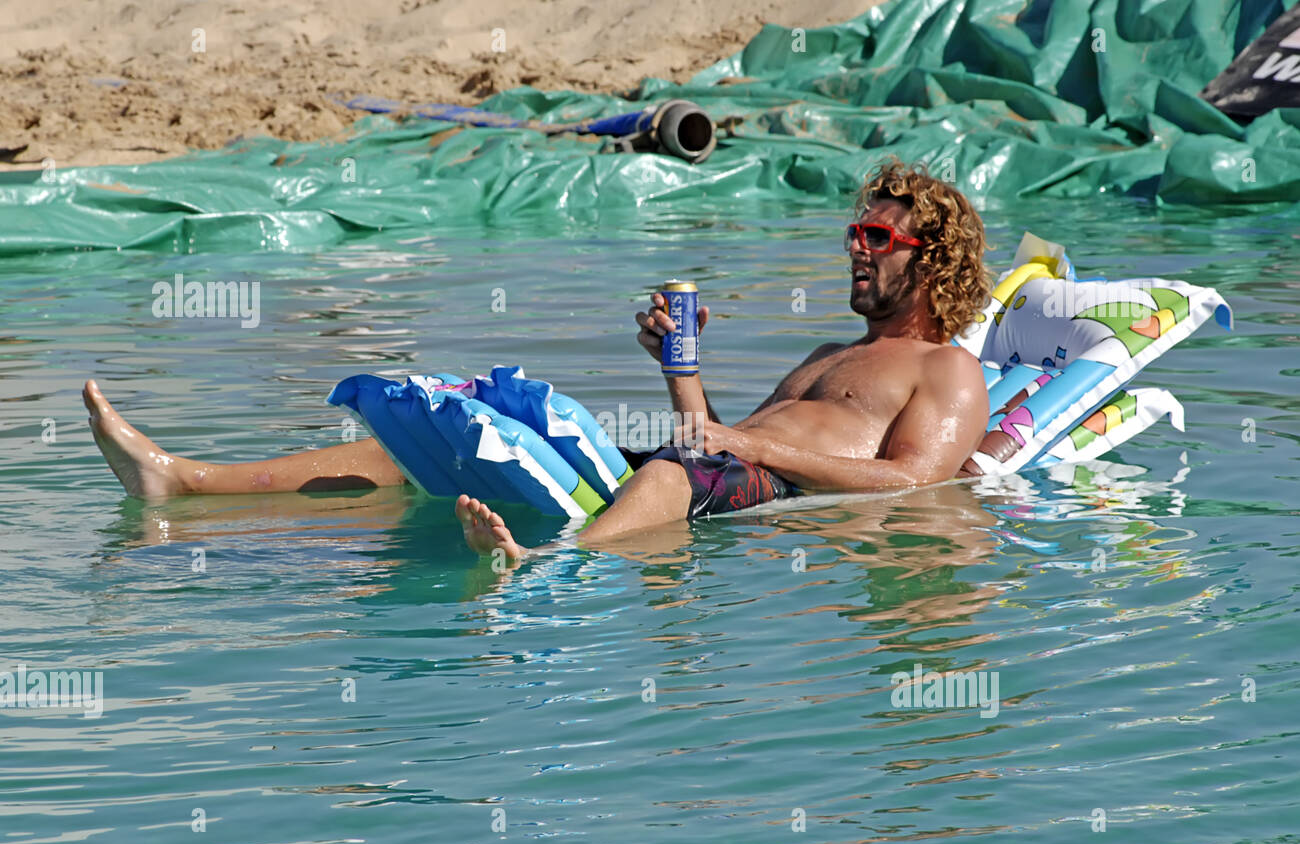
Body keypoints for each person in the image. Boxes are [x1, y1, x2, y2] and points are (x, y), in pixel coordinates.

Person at [83, 159, 993, 562]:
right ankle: (187, 482)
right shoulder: (830, 352)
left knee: (674, 481)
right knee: (412, 452)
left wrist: (747, 450)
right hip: (717, 468)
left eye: (875, 234)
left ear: (933, 257)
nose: (854, 248)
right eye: (852, 231)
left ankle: (547, 566)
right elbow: (712, 436)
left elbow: (912, 486)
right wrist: (680, 364)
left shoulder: (946, 373)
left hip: (756, 493)